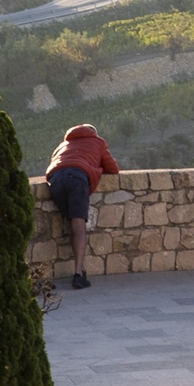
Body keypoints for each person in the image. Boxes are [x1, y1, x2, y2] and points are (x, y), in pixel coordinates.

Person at [46, 123, 120, 288]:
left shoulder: (63, 145)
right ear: (93, 133)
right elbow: (113, 168)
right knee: (79, 225)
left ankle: (82, 269)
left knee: (71, 223)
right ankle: (78, 274)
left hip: (55, 180)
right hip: (77, 178)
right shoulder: (98, 142)